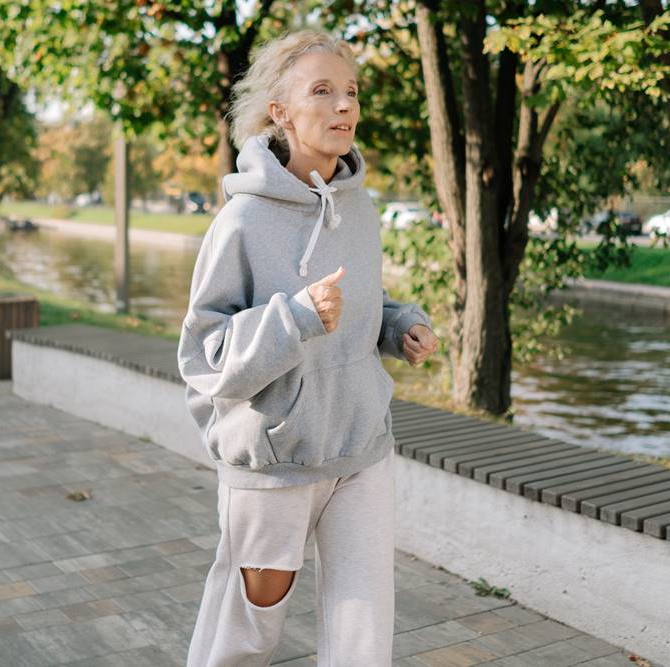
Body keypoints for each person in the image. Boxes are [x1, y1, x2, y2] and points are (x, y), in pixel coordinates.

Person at [178, 29, 439, 667]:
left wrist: (398, 323)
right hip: (275, 463)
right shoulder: (240, 222)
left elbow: (361, 303)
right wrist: (293, 319)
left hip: (360, 450)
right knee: (246, 635)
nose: (344, 106)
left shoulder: (360, 209)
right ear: (281, 112)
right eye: (321, 91)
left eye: (350, 92)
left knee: (363, 639)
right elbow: (203, 356)